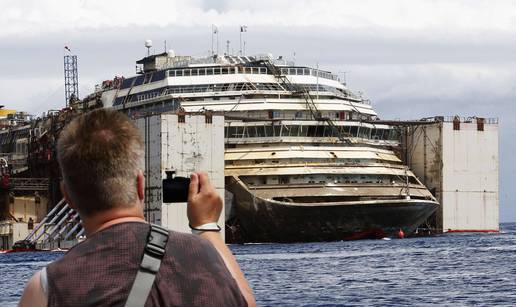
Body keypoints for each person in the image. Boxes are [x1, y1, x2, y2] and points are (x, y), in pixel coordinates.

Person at [19, 109, 256, 307]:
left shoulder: (48, 287)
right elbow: (246, 301)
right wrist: (207, 227)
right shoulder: (203, 258)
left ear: (67, 196)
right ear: (140, 185)